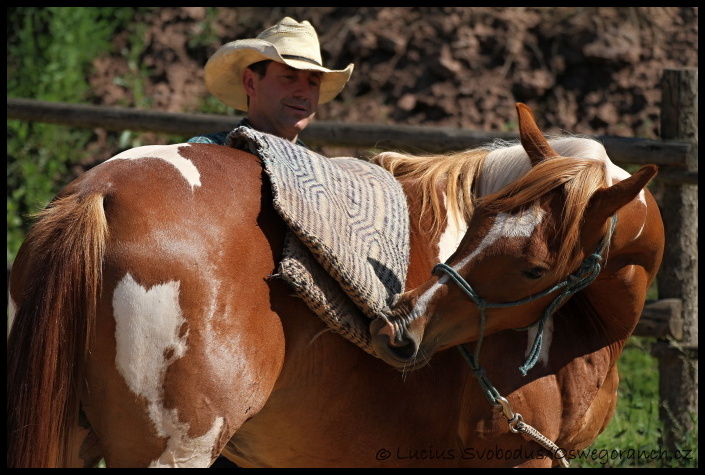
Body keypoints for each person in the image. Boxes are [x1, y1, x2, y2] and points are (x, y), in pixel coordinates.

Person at [188, 16, 354, 147]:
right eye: (289, 77)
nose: (303, 93)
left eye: (313, 83)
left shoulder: (322, 173)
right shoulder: (205, 154)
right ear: (251, 83)